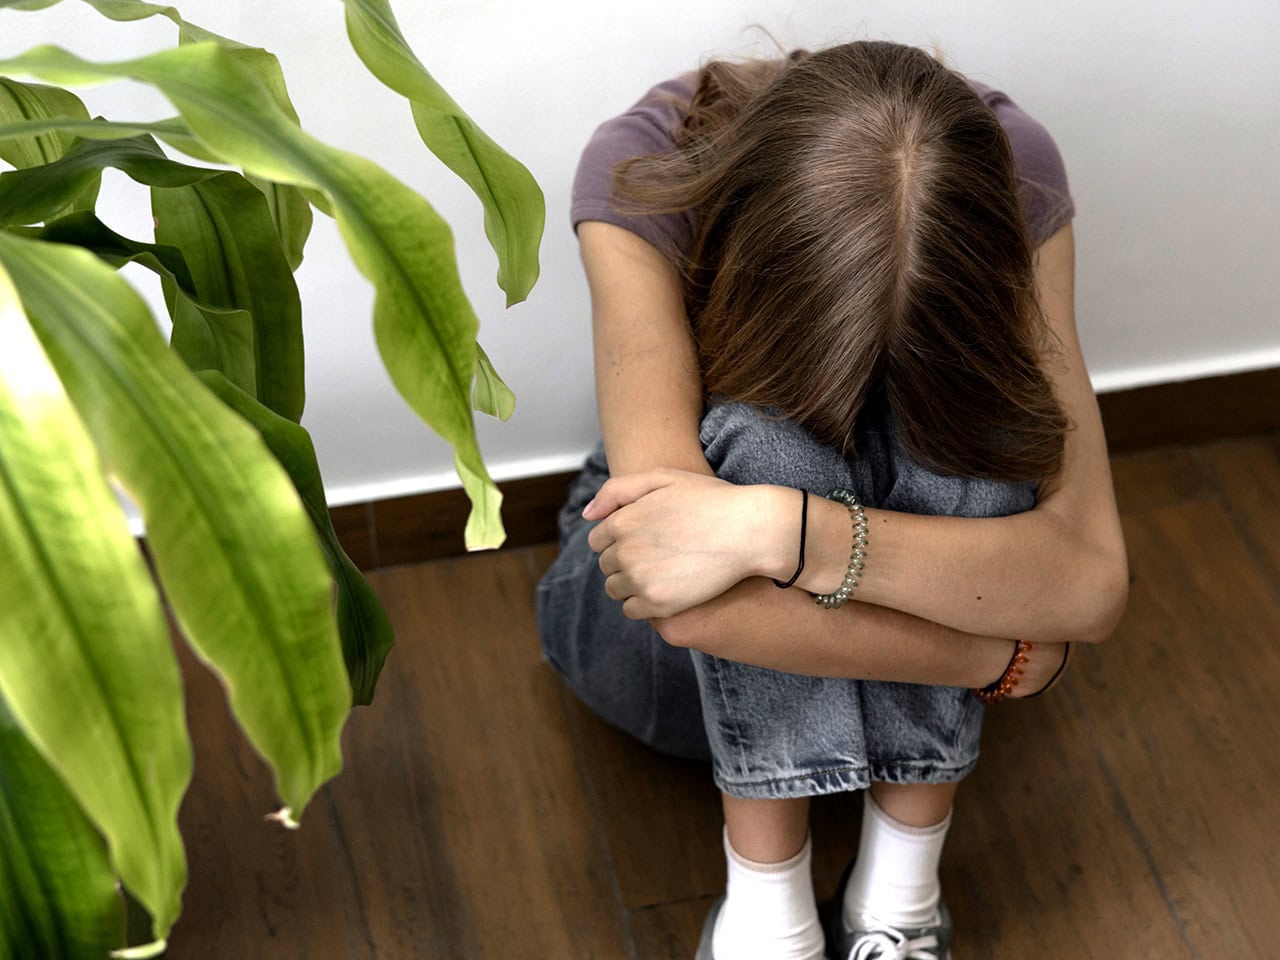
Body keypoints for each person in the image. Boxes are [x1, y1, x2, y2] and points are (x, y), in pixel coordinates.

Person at [536, 40, 1128, 960]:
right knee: (763, 446)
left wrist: (783, 533)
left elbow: (1091, 582)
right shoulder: (640, 171)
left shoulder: (1017, 170)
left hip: (783, 571)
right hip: (654, 650)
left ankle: (899, 896)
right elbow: (673, 586)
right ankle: (766, 912)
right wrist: (1001, 657)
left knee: (970, 436)